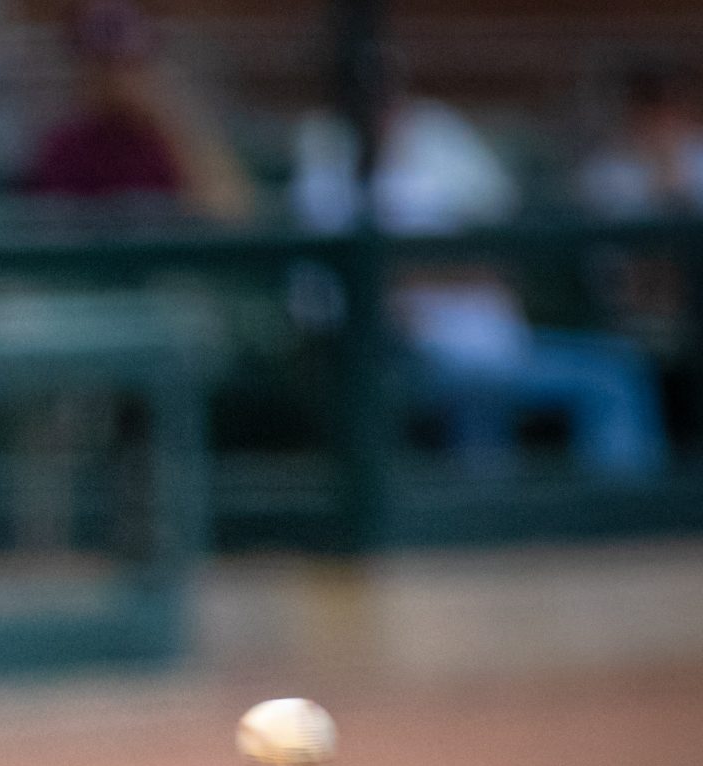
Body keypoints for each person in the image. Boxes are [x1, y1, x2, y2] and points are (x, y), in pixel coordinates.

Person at [294, 78, 669, 479]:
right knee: (523, 386)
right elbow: (374, 281)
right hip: (412, 354)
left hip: (492, 342)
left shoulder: (432, 167)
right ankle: (592, 514)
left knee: (614, 364)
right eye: (370, 104)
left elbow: (495, 257)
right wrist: (443, 273)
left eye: (388, 103)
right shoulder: (328, 180)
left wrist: (440, 272)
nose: (384, 114)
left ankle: (608, 519)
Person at [22, 0, 255, 221]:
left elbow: (233, 213)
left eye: (131, 64)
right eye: (105, 64)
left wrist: (173, 123)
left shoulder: (176, 132)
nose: (119, 78)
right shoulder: (65, 145)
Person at [578, 63, 703, 217]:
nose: (660, 121)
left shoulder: (698, 156)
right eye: (648, 113)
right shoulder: (606, 170)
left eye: (667, 110)